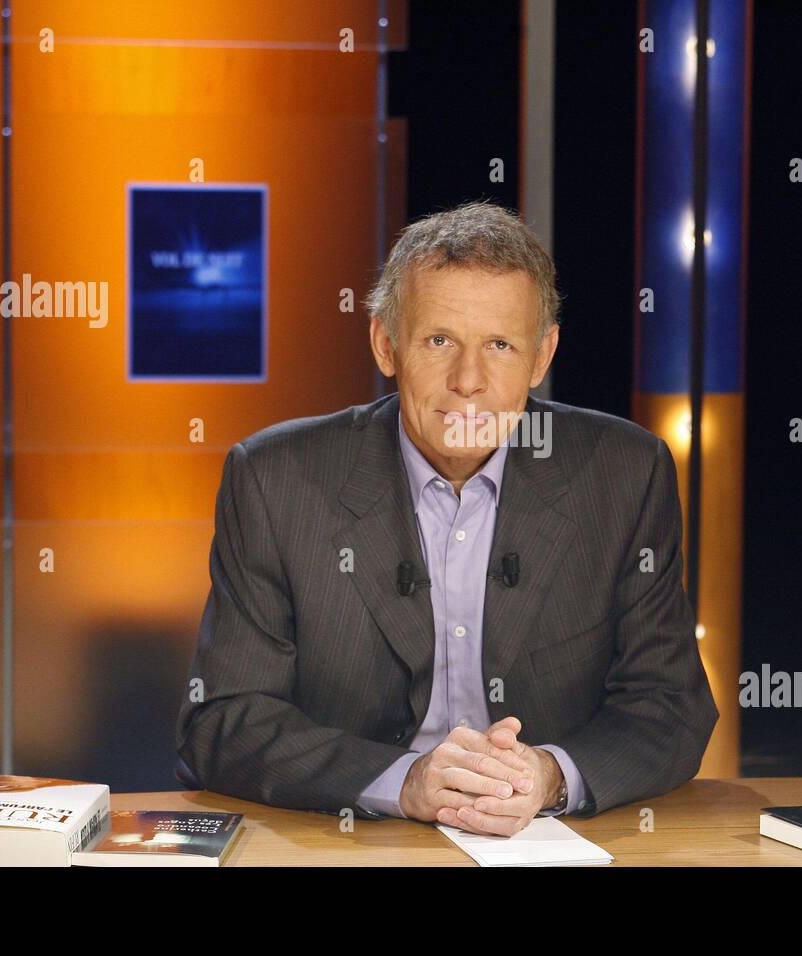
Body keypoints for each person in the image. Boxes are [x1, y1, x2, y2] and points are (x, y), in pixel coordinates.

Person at [176, 201, 717, 836]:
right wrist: (401, 783)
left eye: (500, 345)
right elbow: (223, 720)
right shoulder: (275, 479)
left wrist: (548, 775)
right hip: (350, 840)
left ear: (541, 357)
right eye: (439, 341)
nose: (469, 380)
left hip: (549, 840)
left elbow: (670, 705)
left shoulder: (625, 474)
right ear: (386, 344)